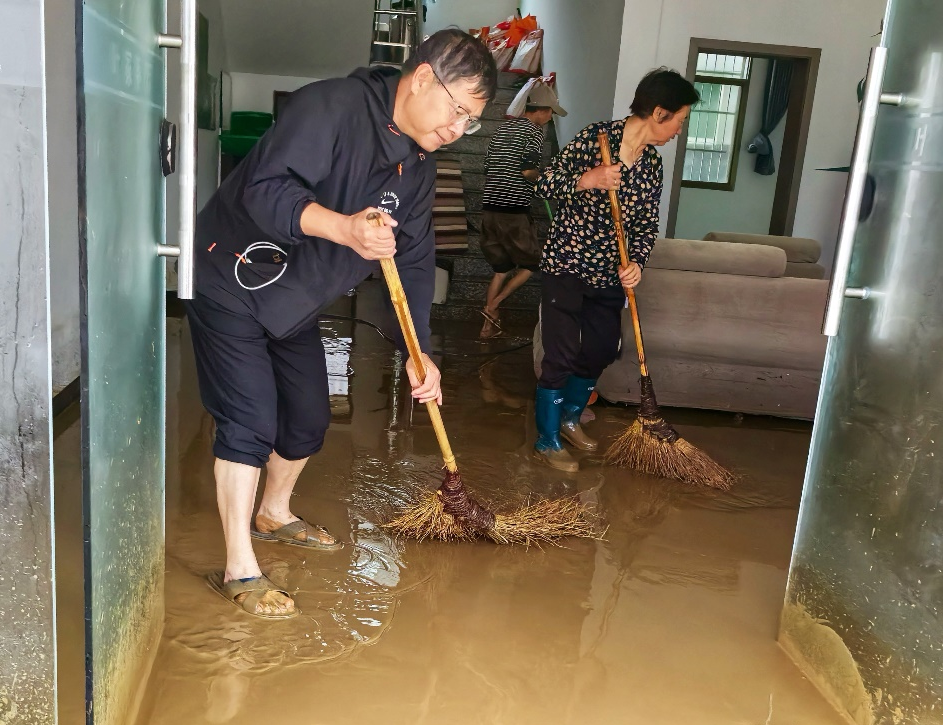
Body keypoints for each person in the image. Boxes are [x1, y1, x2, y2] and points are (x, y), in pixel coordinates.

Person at [187, 30, 497, 618]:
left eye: (471, 121)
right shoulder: (330, 107)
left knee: (307, 420)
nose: (459, 129)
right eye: (457, 110)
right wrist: (345, 228)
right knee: (250, 419)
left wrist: (419, 352)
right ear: (423, 78)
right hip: (231, 277)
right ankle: (239, 568)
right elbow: (265, 190)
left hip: (296, 300)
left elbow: (415, 260)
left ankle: (273, 513)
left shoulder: (418, 166)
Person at [532, 68, 699, 472]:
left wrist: (637, 262)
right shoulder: (596, 138)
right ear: (658, 112)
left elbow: (646, 225)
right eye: (679, 119)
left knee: (604, 347)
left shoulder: (652, 164)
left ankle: (570, 418)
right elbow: (544, 184)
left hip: (609, 273)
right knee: (561, 354)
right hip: (567, 264)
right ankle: (547, 439)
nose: (680, 129)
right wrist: (586, 179)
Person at [478, 82, 567, 338]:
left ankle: (487, 327)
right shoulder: (534, 132)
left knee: (501, 269)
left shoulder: (502, 128)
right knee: (533, 264)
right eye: (550, 113)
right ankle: (493, 306)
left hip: (490, 209)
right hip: (513, 210)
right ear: (541, 110)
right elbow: (528, 171)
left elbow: (487, 167)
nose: (550, 118)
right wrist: (545, 180)